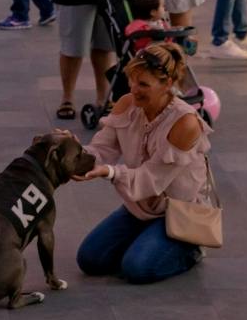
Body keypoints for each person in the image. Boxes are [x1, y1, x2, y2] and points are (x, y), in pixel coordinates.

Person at [73, 44, 211, 284]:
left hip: (179, 212)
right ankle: (147, 238)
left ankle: (190, 248)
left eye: (143, 84)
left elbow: (152, 178)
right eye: (132, 81)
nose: (134, 90)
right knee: (89, 260)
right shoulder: (127, 104)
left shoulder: (185, 123)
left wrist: (109, 172)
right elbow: (102, 148)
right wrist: (74, 152)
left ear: (167, 84)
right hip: (140, 208)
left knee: (136, 269)